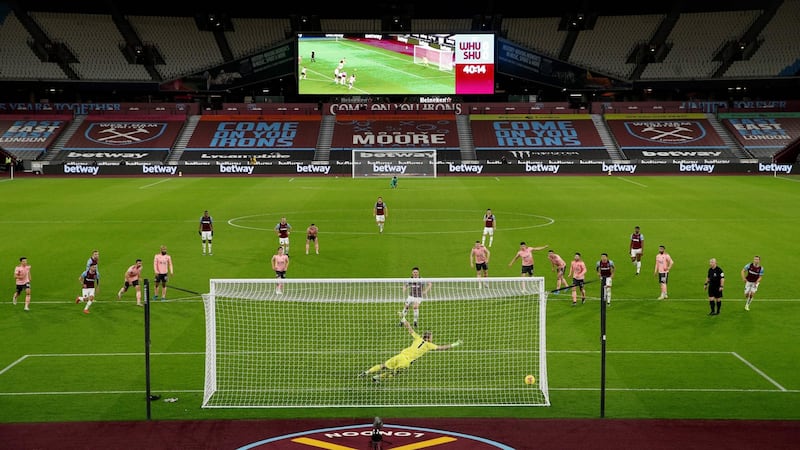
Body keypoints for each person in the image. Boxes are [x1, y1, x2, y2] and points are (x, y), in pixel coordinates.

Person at [359, 317, 461, 383]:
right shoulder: (429, 345)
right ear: (428, 338)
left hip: (400, 355)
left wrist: (404, 320)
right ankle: (377, 378)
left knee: (383, 365)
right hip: (406, 361)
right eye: (431, 337)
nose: (432, 338)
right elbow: (441, 348)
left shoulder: (418, 338)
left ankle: (367, 372)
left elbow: (410, 329)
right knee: (395, 373)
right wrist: (454, 344)